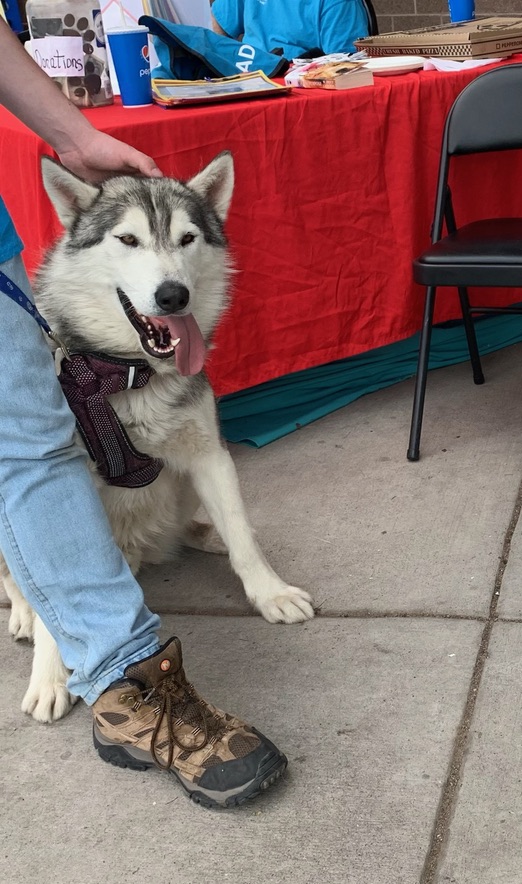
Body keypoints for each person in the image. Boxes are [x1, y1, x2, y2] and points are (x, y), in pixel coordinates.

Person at [0, 21, 288, 808]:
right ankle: (48, 615)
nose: (170, 278)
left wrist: (73, 132)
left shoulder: (178, 334)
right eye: (129, 244)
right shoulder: (80, 305)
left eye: (187, 243)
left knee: (29, 456)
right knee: (30, 458)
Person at [210, 0, 371, 60]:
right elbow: (219, 23)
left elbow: (346, 67)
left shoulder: (342, 3)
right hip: (247, 83)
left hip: (298, 94)